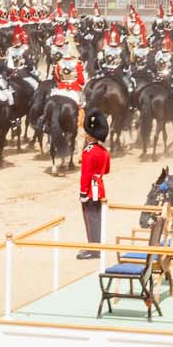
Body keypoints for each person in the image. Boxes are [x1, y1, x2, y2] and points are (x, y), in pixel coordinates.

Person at [77, 109, 110, 261]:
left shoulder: (88, 152)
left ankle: (93, 249)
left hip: (90, 190)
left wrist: (83, 193)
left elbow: (85, 175)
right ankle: (99, 246)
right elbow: (107, 170)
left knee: (90, 220)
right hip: (100, 188)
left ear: (91, 136)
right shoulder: (104, 151)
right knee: (98, 219)